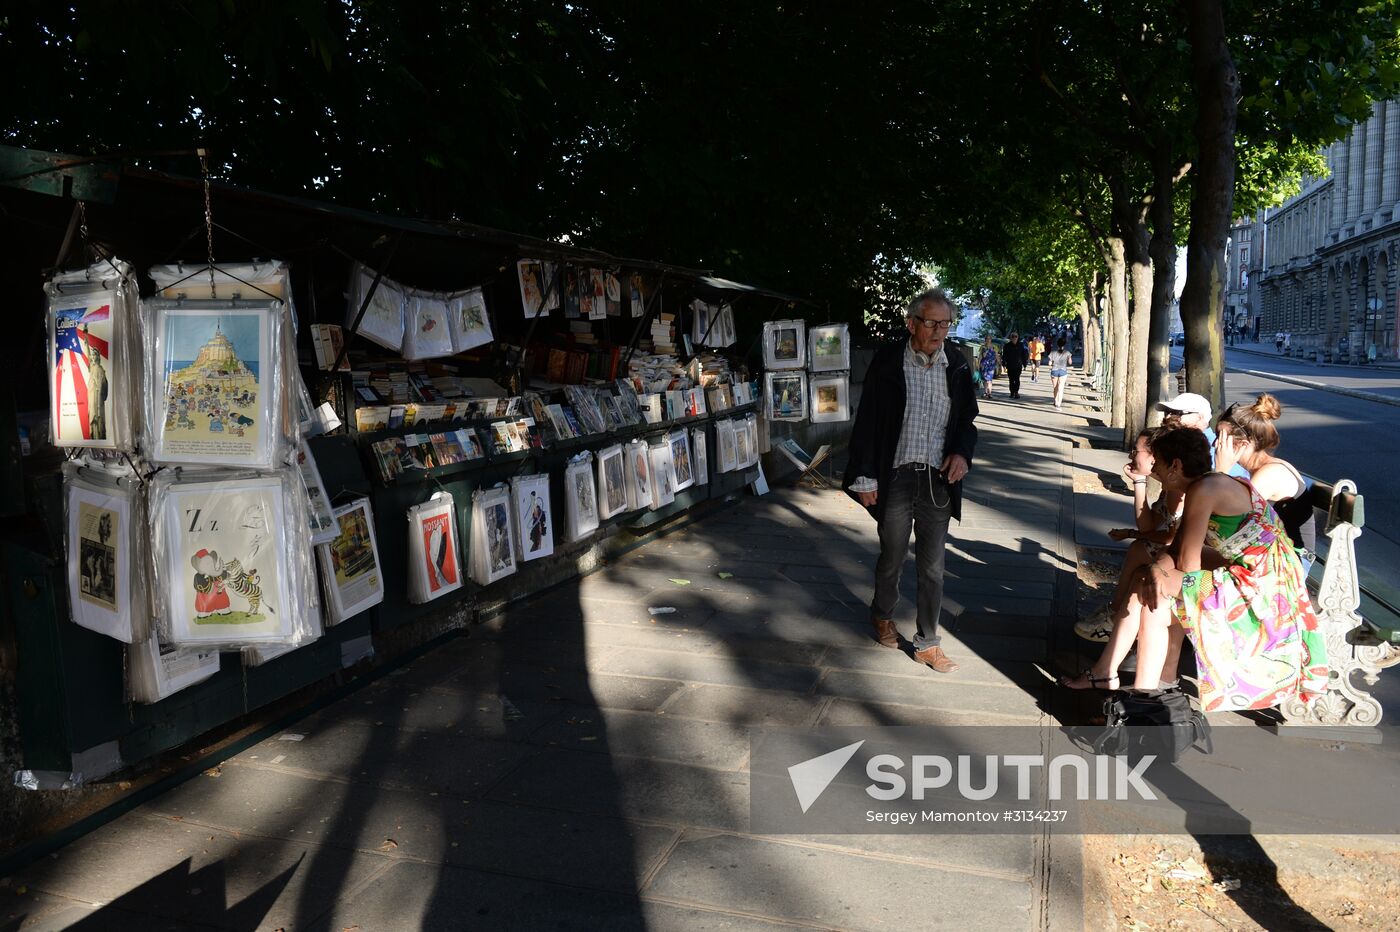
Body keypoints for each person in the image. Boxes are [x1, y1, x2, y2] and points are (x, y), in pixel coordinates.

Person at [1064, 428, 1329, 710]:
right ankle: (1143, 691)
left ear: (1176, 466)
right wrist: (1157, 569)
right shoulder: (1207, 484)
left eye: (1158, 463)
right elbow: (1176, 550)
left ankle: (1141, 692)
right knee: (1151, 588)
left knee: (1152, 593)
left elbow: (1188, 564)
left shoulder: (1204, 490)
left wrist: (1158, 572)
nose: (1155, 470)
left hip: (1263, 586)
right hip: (1257, 571)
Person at [843, 288, 979, 674]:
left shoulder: (956, 363)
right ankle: (882, 614)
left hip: (938, 478)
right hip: (896, 476)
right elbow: (868, 421)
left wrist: (961, 453)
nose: (939, 331)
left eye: (945, 324)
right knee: (892, 557)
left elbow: (967, 419)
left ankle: (927, 643)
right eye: (931, 323)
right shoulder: (889, 361)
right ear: (911, 323)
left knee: (933, 567)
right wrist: (864, 474)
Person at [1073, 429, 1183, 643]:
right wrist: (1139, 481)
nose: (1130, 455)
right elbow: (1148, 525)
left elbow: (1171, 537)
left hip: (1190, 555)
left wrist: (1133, 534)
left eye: (1135, 450)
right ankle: (1115, 614)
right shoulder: (1167, 487)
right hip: (1180, 550)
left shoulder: (1174, 489)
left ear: (1154, 456)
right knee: (1140, 550)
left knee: (1139, 550)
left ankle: (1115, 616)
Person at [1210, 393, 1316, 575]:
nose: (1214, 444)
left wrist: (1221, 472)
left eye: (1221, 437)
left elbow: (1229, 516)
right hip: (1271, 551)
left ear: (1243, 444)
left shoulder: (1270, 473)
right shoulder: (1261, 469)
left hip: (1290, 562)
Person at [1002, 332, 1028, 399]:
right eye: (1013, 336)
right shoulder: (1007, 346)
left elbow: (1024, 355)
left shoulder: (1021, 345)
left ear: (1017, 337)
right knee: (1011, 380)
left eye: (1015, 336)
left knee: (1017, 379)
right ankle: (1012, 392)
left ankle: (1016, 392)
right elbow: (1004, 356)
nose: (1014, 338)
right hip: (1010, 365)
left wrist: (1025, 363)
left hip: (1018, 365)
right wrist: (1003, 364)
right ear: (1011, 338)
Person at [1047, 339, 1072, 408]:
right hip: (1063, 371)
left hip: (1054, 371)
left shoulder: (1053, 352)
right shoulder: (1067, 353)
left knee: (1055, 387)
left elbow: (1049, 363)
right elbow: (1070, 363)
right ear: (1064, 345)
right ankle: (1059, 403)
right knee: (1061, 388)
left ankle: (1055, 401)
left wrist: (1052, 363)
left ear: (1057, 345)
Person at [977, 335, 998, 401]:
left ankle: (989, 393)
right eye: (987, 339)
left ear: (991, 340)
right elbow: (981, 356)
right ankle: (986, 392)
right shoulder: (983, 347)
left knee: (989, 380)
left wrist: (999, 363)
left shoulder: (994, 347)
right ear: (985, 340)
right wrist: (978, 364)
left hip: (991, 366)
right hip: (984, 365)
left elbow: (996, 355)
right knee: (986, 380)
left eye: (989, 339)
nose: (988, 340)